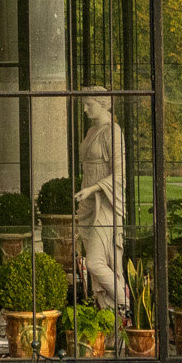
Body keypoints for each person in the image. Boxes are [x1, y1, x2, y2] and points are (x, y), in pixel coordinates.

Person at [72, 91, 128, 308]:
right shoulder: (91, 131)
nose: (85, 109)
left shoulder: (112, 132)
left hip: (105, 203)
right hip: (88, 204)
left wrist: (92, 189)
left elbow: (119, 174)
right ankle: (106, 313)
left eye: (89, 104)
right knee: (95, 268)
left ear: (103, 104)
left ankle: (125, 304)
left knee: (95, 263)